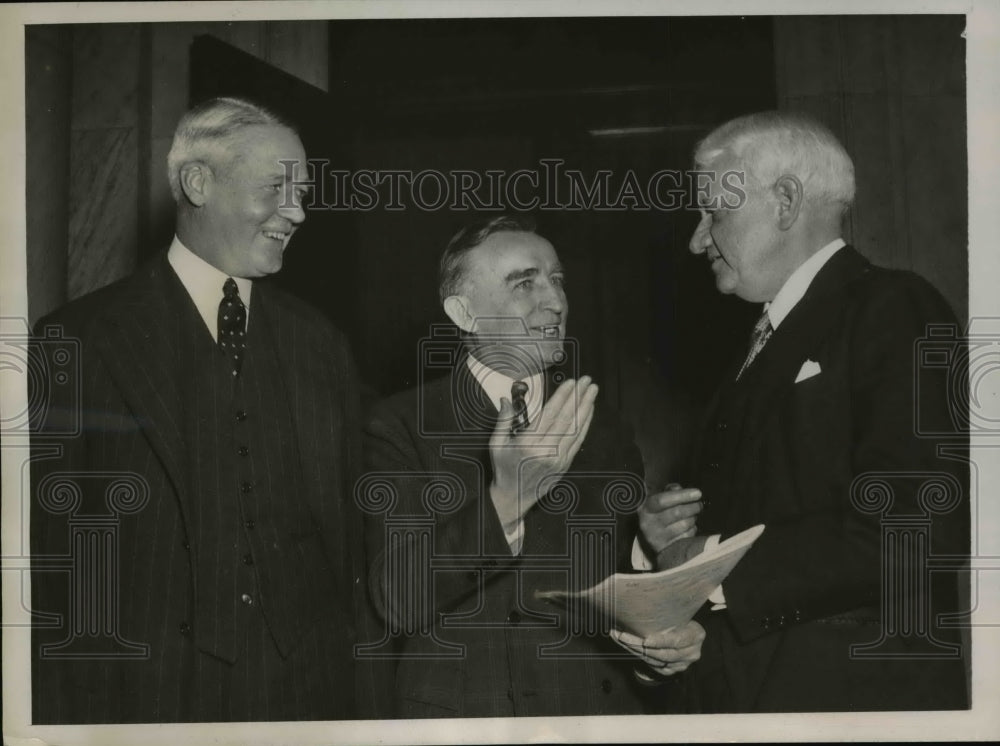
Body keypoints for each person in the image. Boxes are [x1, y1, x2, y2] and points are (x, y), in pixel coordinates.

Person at [30, 96, 364, 723]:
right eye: (277, 188)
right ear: (198, 181)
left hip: (304, 691)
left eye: (303, 191)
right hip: (143, 694)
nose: (298, 210)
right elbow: (49, 563)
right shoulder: (77, 338)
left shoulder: (322, 344)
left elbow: (348, 547)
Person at [635, 110, 969, 712]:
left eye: (715, 212)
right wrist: (671, 540)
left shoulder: (894, 307)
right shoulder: (755, 343)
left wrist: (709, 561)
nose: (697, 238)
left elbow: (918, 526)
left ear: (785, 201)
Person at [360, 216, 704, 718]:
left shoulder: (602, 426)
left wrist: (651, 552)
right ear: (464, 312)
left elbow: (622, 602)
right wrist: (509, 498)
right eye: (525, 283)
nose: (555, 301)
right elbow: (399, 600)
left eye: (557, 280)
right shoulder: (400, 425)